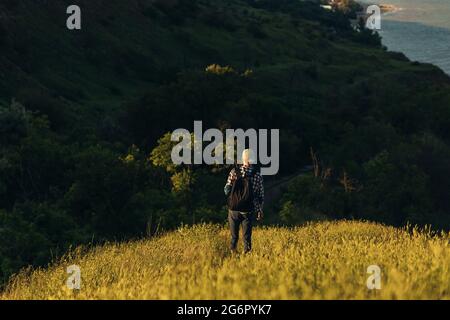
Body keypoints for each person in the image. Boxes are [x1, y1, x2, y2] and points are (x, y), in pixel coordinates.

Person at [224, 149, 264, 253]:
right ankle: (247, 256)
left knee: (234, 237)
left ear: (243, 159)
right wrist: (259, 210)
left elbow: (226, 190)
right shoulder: (257, 175)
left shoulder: (234, 172)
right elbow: (260, 195)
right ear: (253, 159)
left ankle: (233, 254)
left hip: (233, 210)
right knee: (247, 238)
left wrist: (234, 197)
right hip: (248, 210)